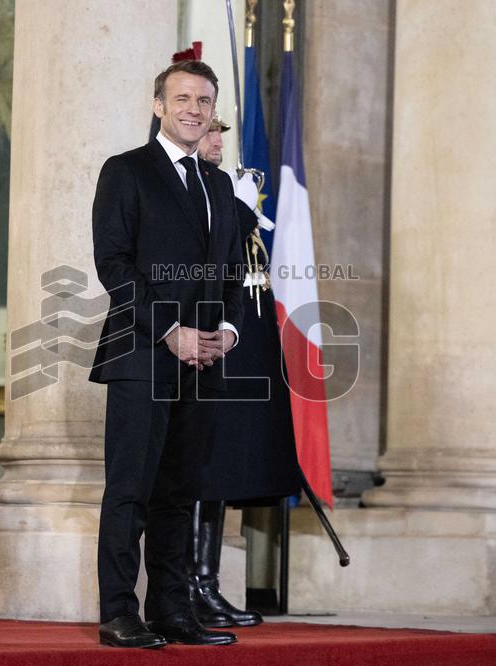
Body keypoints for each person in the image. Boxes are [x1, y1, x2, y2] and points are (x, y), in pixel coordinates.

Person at [90, 59, 244, 649]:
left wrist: (226, 331)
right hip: (141, 354)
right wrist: (170, 331)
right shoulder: (126, 171)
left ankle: (173, 611)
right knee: (130, 489)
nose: (193, 109)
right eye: (182, 98)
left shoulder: (219, 185)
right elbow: (113, 265)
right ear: (159, 105)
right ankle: (118, 613)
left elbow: (232, 271)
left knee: (179, 494)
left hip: (203, 361)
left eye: (203, 101)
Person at [189, 118, 302, 627]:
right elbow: (206, 254)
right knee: (200, 466)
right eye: (208, 131)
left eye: (220, 131)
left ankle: (206, 583)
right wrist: (237, 207)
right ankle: (190, 586)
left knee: (225, 463)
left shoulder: (225, 186)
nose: (217, 139)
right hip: (198, 339)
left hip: (238, 339)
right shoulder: (194, 189)